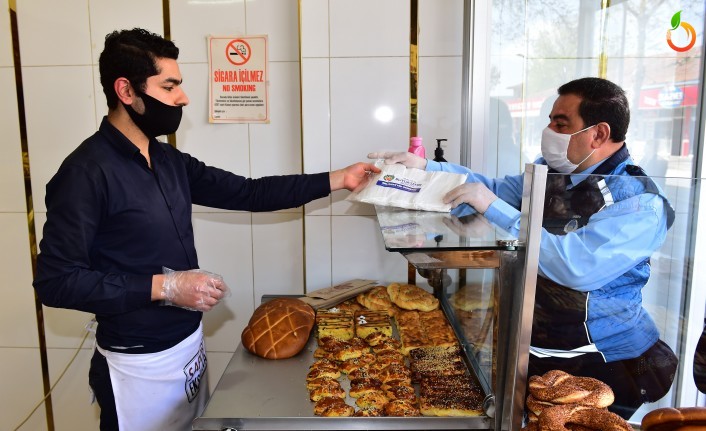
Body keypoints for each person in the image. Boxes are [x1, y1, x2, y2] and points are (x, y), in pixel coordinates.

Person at [33, 28, 379, 431]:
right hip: (139, 363)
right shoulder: (85, 173)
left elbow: (250, 192)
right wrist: (166, 287)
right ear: (126, 91)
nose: (182, 98)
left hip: (188, 347)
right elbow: (56, 282)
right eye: (169, 85)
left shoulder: (167, 159)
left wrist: (339, 178)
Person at [370, 77, 678, 420]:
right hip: (536, 350)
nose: (549, 131)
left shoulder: (638, 202)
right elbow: (493, 189)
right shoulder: (552, 173)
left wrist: (493, 207)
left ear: (599, 134)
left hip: (601, 360)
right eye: (550, 121)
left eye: (561, 123)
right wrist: (428, 170)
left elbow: (575, 266)